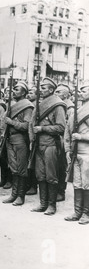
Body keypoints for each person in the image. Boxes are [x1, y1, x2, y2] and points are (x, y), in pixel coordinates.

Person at [30, 77, 66, 215]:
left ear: (51, 90)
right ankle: (43, 203)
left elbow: (61, 127)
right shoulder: (41, 103)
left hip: (51, 144)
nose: (41, 90)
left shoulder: (58, 105)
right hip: (39, 144)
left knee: (51, 176)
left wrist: (43, 129)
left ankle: (52, 206)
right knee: (40, 175)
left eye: (44, 88)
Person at [1, 81, 34, 206]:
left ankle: (20, 196)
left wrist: (11, 122)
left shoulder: (27, 106)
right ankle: (14, 194)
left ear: (24, 92)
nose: (13, 91)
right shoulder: (12, 105)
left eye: (17, 89)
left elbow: (27, 126)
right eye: (13, 89)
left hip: (20, 140)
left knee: (21, 169)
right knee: (14, 168)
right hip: (10, 139)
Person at [64, 81, 89, 224]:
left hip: (87, 154)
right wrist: (67, 149)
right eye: (80, 91)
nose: (81, 93)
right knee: (77, 184)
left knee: (87, 184)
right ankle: (77, 212)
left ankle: (86, 213)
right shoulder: (76, 110)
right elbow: (68, 130)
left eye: (84, 90)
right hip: (75, 153)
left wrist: (82, 137)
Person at [55, 83, 74, 202]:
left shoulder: (70, 108)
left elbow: (70, 128)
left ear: (66, 95)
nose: (55, 94)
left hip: (64, 140)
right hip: (57, 138)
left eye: (58, 92)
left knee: (61, 166)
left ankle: (61, 191)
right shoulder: (57, 105)